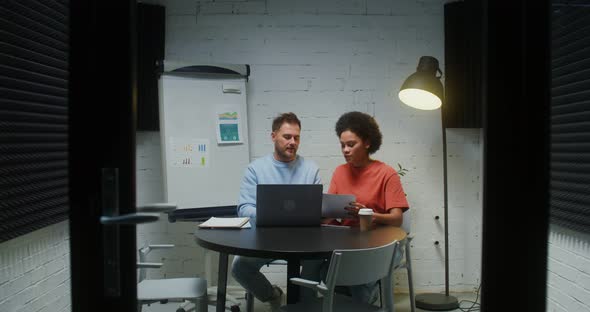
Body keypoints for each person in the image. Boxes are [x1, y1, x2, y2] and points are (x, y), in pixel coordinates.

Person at [231, 112, 321, 310]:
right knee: (239, 268)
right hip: (266, 240)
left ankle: (303, 306)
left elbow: (316, 208)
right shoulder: (255, 169)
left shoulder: (311, 169)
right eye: (287, 137)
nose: (292, 142)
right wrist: (271, 215)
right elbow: (244, 209)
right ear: (273, 137)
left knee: (315, 271)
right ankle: (272, 295)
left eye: (296, 138)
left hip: (304, 241)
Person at [327, 111, 410, 304]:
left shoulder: (386, 173)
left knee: (358, 277)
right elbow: (331, 213)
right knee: (321, 269)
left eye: (351, 144)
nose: (345, 150)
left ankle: (364, 301)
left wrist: (369, 214)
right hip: (349, 243)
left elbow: (397, 219)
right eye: (342, 145)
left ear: (367, 142)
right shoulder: (339, 172)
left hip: (381, 242)